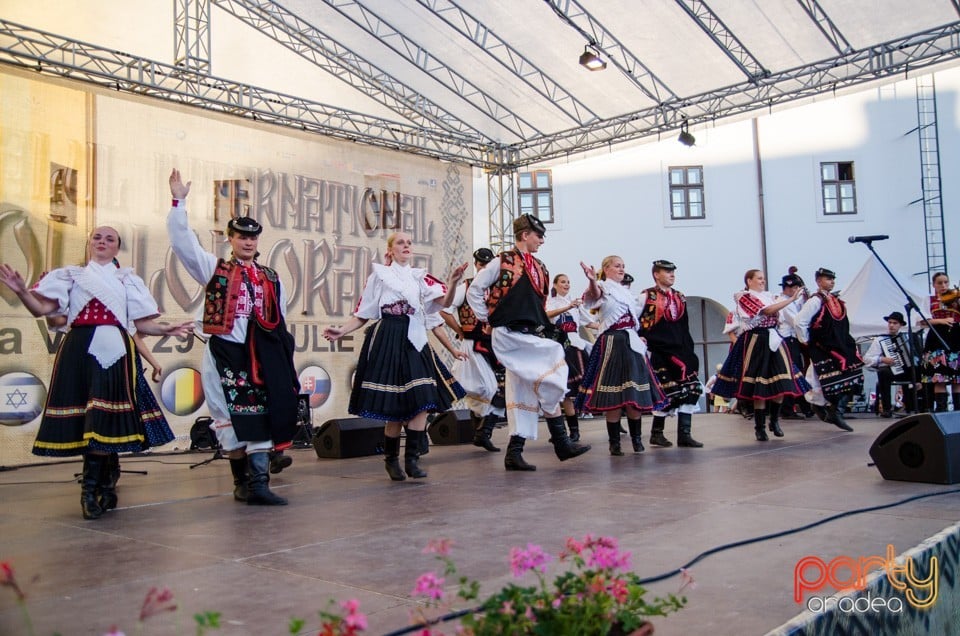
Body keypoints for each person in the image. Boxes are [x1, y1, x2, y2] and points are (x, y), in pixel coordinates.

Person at [0, 228, 193, 520]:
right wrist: (23, 291)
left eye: (109, 239)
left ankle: (97, 486)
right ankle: (94, 488)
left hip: (116, 350)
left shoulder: (127, 279)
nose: (102, 242)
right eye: (97, 238)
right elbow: (41, 309)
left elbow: (143, 324)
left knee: (103, 417)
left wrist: (167, 329)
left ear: (117, 249)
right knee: (88, 417)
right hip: (79, 349)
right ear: (90, 244)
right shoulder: (71, 276)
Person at [168, 169, 300, 505]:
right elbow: (183, 244)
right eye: (241, 236)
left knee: (261, 412)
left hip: (260, 353)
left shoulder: (271, 277)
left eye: (253, 237)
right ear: (230, 238)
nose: (248, 241)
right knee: (226, 413)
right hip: (224, 349)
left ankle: (258, 484)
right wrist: (178, 202)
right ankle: (242, 483)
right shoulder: (215, 269)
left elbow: (279, 319)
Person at [322, 232, 467, 481]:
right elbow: (363, 313)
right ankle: (391, 460)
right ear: (390, 250)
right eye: (401, 242)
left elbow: (444, 302)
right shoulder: (380, 276)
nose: (406, 246)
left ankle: (412, 459)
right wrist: (342, 331)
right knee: (396, 408)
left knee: (422, 399)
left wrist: (453, 281)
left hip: (416, 339)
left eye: (410, 242)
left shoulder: (420, 278)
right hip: (389, 335)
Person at [466, 214, 591, 471]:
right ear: (525, 235)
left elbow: (540, 305)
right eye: (538, 235)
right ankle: (562, 442)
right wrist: (486, 318)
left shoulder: (541, 267)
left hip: (529, 334)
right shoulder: (502, 262)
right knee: (554, 363)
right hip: (509, 334)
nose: (542, 241)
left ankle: (515, 453)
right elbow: (474, 290)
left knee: (524, 391)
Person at [576, 255, 666, 456]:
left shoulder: (626, 293)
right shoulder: (602, 287)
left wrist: (639, 336)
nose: (621, 269)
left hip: (630, 341)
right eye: (617, 266)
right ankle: (614, 442)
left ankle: (636, 439)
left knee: (634, 392)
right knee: (612, 393)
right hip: (612, 341)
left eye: (623, 266)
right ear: (606, 269)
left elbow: (635, 318)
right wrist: (591, 279)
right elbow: (593, 295)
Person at [712, 269, 808, 441]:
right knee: (759, 384)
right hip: (756, 340)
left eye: (764, 278)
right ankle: (760, 426)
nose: (763, 281)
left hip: (774, 337)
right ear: (749, 281)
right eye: (759, 278)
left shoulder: (769, 296)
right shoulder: (744, 297)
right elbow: (767, 311)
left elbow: (779, 316)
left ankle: (774, 420)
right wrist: (791, 299)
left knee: (783, 381)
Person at [442, 248, 507, 452]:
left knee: (502, 390)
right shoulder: (466, 287)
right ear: (476, 264)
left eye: (486, 266)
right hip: (473, 344)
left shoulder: (498, 289)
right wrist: (459, 330)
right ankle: (479, 432)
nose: (482, 269)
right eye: (480, 265)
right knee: (482, 388)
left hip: (495, 345)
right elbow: (445, 311)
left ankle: (482, 433)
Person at [637, 260, 703, 448]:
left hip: (681, 350)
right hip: (660, 351)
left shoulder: (680, 297)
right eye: (667, 272)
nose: (672, 274)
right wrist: (642, 341)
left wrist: (689, 351)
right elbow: (636, 321)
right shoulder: (647, 297)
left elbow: (684, 327)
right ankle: (656, 433)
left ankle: (684, 434)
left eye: (673, 271)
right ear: (656, 275)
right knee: (668, 391)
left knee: (692, 389)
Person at [795, 267, 864, 432]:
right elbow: (800, 321)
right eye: (827, 279)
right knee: (822, 379)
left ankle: (832, 409)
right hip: (824, 347)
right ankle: (828, 409)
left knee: (854, 373)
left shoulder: (836, 300)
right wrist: (806, 340)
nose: (831, 281)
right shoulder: (815, 301)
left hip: (840, 345)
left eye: (833, 279)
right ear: (818, 281)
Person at [545, 273, 598, 442]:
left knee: (576, 389)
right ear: (555, 284)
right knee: (561, 391)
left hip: (575, 347)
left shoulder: (575, 303)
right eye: (562, 282)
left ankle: (574, 431)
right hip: (557, 348)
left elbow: (588, 322)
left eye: (568, 282)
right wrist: (568, 307)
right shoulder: (550, 301)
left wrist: (609, 325)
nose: (566, 285)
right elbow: (547, 315)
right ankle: (561, 431)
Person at [774, 269, 815, 420]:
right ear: (789, 288)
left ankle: (803, 407)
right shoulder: (783, 302)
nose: (797, 290)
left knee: (796, 373)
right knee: (792, 374)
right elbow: (796, 321)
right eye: (795, 288)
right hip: (787, 340)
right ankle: (788, 409)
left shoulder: (790, 301)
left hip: (792, 340)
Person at [863, 311, 918, 418]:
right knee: (883, 372)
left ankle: (912, 407)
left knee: (916, 370)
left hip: (905, 371)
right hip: (889, 370)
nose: (891, 325)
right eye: (890, 323)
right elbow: (866, 359)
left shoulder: (907, 338)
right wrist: (882, 359)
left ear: (901, 325)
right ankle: (886, 409)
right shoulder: (881, 339)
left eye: (895, 323)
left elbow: (915, 357)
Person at [919, 272, 959, 412]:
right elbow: (922, 321)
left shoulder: (955, 298)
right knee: (939, 377)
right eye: (940, 283)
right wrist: (942, 321)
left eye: (946, 282)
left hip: (955, 338)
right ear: (934, 285)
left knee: (957, 379)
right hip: (936, 338)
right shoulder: (929, 299)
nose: (943, 286)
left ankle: (958, 412)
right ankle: (942, 411)